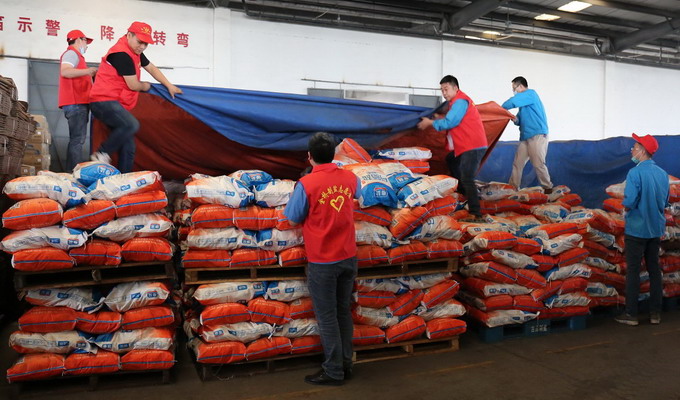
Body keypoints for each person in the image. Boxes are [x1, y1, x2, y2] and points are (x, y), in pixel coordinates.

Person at [284, 132, 361, 386]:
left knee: (327, 317)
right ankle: (346, 364)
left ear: (309, 156)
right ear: (333, 155)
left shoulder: (306, 184)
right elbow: (360, 196)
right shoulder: (350, 177)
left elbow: (292, 219)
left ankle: (333, 371)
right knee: (343, 312)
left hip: (323, 261)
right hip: (348, 256)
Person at [89, 21, 182, 173]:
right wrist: (146, 86)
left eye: (146, 44)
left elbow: (151, 67)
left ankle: (124, 180)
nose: (142, 47)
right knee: (131, 125)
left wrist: (168, 85)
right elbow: (133, 85)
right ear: (129, 35)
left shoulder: (135, 51)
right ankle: (101, 153)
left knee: (129, 147)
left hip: (115, 102)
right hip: (102, 101)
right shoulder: (121, 54)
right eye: (140, 42)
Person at [615, 134, 669, 326]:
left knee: (633, 271)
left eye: (635, 147)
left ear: (643, 151)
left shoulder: (634, 173)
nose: (632, 150)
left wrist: (624, 210)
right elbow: (665, 202)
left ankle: (631, 314)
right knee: (654, 270)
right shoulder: (662, 174)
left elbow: (630, 200)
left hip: (637, 229)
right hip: (655, 229)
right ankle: (655, 313)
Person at [417, 75, 488, 218]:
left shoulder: (460, 101)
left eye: (446, 89)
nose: (444, 93)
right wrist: (438, 118)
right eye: (442, 90)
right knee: (451, 159)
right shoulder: (456, 102)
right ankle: (464, 192)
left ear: (455, 88)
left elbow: (451, 122)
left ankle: (475, 213)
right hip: (467, 145)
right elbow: (452, 119)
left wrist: (430, 123)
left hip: (472, 145)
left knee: (467, 177)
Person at [501, 76, 553, 193]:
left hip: (537, 135)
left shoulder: (531, 94)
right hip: (525, 137)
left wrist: (500, 108)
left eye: (514, 88)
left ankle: (548, 187)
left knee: (538, 163)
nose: (514, 91)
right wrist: (515, 119)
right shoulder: (524, 105)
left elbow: (512, 102)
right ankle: (513, 187)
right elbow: (520, 120)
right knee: (517, 163)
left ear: (520, 86)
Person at [59, 29, 97, 171]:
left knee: (77, 140)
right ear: (79, 40)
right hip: (76, 103)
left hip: (78, 103)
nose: (86, 46)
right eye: (86, 41)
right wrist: (89, 71)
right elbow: (65, 71)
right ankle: (73, 173)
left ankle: (72, 171)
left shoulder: (77, 57)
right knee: (77, 140)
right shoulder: (71, 54)